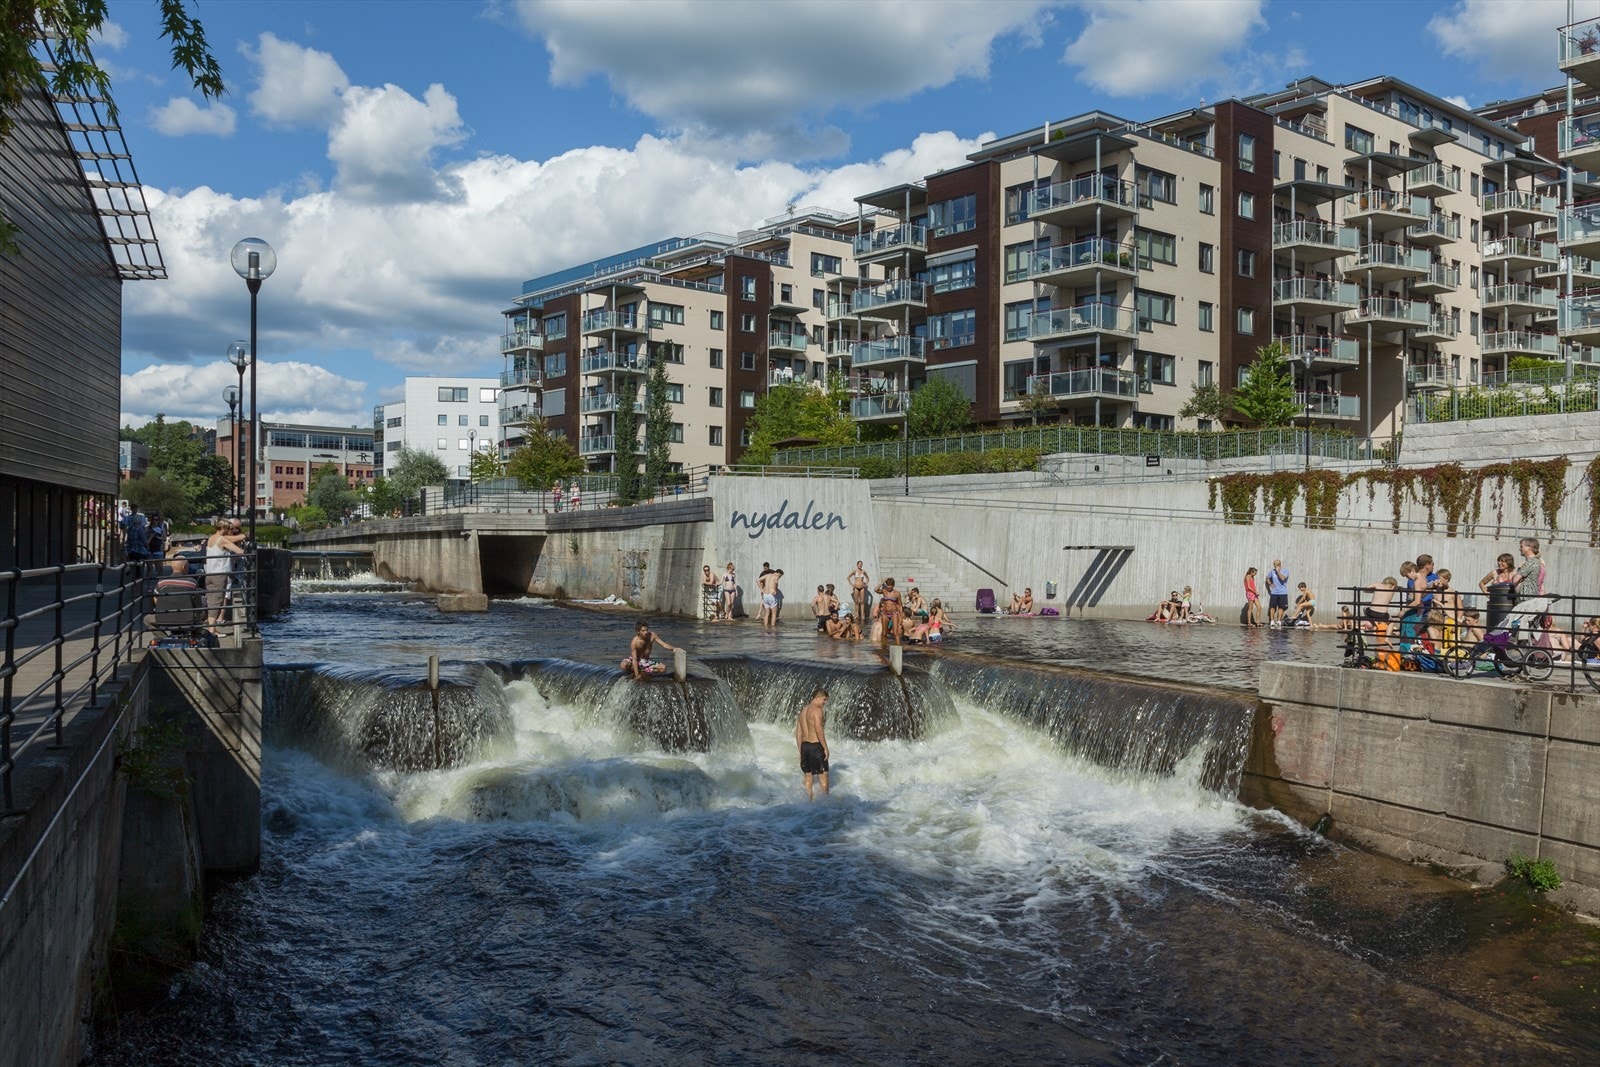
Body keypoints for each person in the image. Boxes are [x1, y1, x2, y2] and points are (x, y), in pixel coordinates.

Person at [202, 518, 245, 633]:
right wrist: (243, 541)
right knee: (217, 601)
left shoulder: (212, 538)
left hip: (209, 573)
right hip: (219, 574)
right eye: (228, 528)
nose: (229, 531)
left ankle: (212, 628)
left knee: (211, 600)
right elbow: (239, 551)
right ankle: (212, 630)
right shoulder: (222, 539)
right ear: (222, 528)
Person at [795, 687, 830, 801]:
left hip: (805, 747)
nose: (825, 702)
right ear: (817, 697)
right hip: (816, 747)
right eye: (824, 699)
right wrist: (825, 748)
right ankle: (826, 805)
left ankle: (808, 804)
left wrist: (801, 751)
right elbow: (819, 730)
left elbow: (798, 734)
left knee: (808, 777)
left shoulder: (803, 711)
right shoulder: (817, 710)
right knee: (823, 776)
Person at [877, 577, 904, 644]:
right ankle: (884, 648)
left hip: (894, 613)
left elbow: (900, 605)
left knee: (895, 633)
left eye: (890, 586)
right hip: (885, 613)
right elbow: (876, 589)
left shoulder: (897, 593)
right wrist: (883, 582)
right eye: (887, 585)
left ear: (893, 585)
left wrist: (901, 617)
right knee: (884, 633)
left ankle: (898, 647)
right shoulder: (884, 591)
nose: (888, 587)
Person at [1265, 560, 1290, 627]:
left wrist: (1278, 571)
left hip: (1283, 592)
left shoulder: (1286, 570)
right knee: (1272, 607)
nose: (1274, 565)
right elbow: (1267, 577)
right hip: (1274, 592)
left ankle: (1279, 621)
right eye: (1274, 564)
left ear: (1279, 564)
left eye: (1275, 564)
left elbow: (1282, 578)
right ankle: (1272, 621)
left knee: (1281, 607)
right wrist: (1270, 583)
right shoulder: (1272, 571)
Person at [758, 565, 781, 629]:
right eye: (780, 576)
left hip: (765, 595)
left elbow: (757, 580)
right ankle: (773, 629)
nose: (779, 577)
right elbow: (776, 583)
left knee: (767, 613)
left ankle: (766, 628)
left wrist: (761, 589)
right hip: (771, 596)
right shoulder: (776, 577)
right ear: (779, 573)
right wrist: (775, 590)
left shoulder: (767, 575)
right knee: (774, 613)